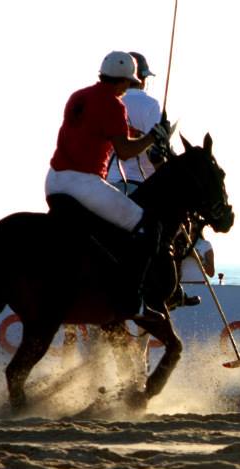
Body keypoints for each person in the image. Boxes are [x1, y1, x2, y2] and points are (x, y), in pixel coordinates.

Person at [45, 51, 171, 320]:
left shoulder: (78, 96)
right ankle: (131, 299)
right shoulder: (114, 105)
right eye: (129, 82)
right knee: (150, 228)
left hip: (54, 181)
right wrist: (152, 137)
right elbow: (125, 151)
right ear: (125, 81)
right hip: (85, 183)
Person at [106, 52, 163, 195]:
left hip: (106, 185)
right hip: (139, 186)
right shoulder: (151, 105)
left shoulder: (108, 102)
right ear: (142, 79)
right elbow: (156, 151)